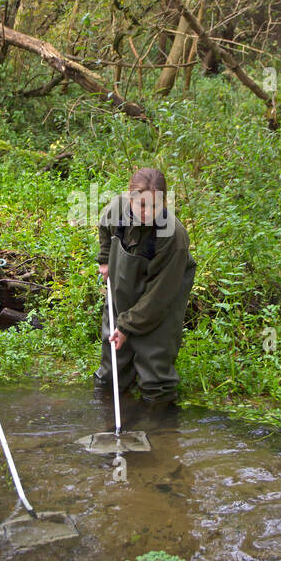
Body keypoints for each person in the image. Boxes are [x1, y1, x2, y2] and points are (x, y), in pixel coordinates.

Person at [95, 168, 195, 406]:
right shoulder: (117, 209)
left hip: (161, 297)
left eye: (155, 206)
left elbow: (159, 295)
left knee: (154, 377)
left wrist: (128, 326)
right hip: (122, 288)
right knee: (112, 373)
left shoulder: (174, 237)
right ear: (129, 199)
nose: (147, 213)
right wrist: (105, 260)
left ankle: (160, 430)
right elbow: (105, 229)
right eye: (141, 206)